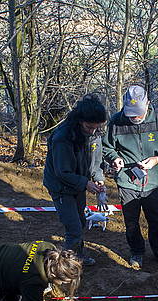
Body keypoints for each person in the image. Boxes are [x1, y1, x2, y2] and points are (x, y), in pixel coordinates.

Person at [102, 85, 158, 270]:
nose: (135, 117)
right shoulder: (116, 121)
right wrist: (115, 158)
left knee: (156, 220)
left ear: (148, 104)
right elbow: (106, 147)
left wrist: (157, 159)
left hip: (152, 181)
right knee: (131, 221)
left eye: (138, 113)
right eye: (131, 114)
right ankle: (137, 251)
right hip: (127, 181)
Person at [43, 94, 107, 266]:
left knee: (80, 221)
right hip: (60, 186)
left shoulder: (94, 134)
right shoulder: (63, 138)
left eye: (96, 127)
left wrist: (98, 178)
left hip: (79, 183)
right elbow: (62, 172)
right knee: (74, 229)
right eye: (89, 127)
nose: (92, 130)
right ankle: (64, 267)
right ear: (80, 121)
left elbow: (96, 161)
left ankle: (77, 257)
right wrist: (86, 183)